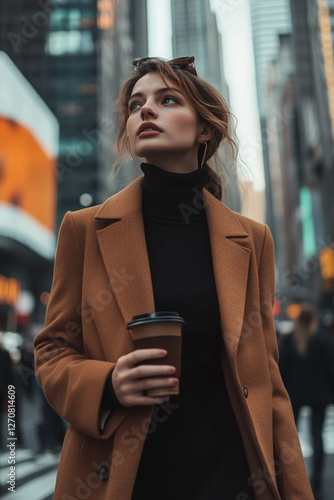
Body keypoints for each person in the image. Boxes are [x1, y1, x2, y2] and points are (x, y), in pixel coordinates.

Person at [34, 56, 314, 500]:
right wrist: (107, 384)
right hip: (124, 479)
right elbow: (52, 350)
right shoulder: (84, 230)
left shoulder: (252, 239)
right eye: (135, 104)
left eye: (166, 100)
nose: (145, 110)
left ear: (204, 129)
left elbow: (266, 382)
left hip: (232, 477)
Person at [279, 302, 334, 497]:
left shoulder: (290, 340)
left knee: (288, 436)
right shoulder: (324, 340)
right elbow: (331, 370)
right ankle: (317, 477)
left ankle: (288, 475)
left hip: (294, 394)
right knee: (316, 434)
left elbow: (281, 369)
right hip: (320, 395)